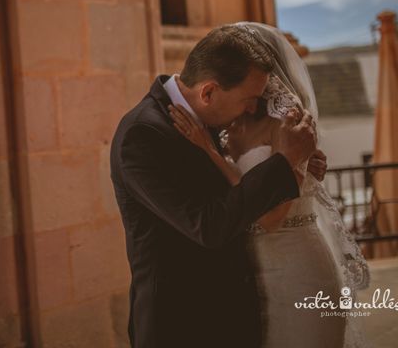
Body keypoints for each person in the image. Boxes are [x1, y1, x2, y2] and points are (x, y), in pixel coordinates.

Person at [110, 25, 325, 347]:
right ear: (208, 92)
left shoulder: (208, 117)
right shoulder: (143, 135)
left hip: (233, 312)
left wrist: (300, 167)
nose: (254, 108)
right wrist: (284, 162)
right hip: (183, 323)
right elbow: (208, 226)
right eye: (249, 99)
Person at [169, 22, 370, 347]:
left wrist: (209, 153)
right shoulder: (226, 124)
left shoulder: (290, 126)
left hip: (296, 269)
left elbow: (271, 217)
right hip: (250, 273)